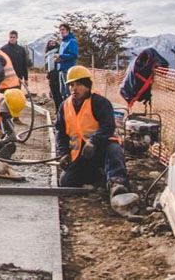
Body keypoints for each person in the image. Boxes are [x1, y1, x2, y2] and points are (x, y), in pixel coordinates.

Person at [56, 66, 133, 210]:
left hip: (101, 149)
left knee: (114, 148)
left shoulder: (100, 103)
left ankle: (117, 183)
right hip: (81, 154)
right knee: (66, 181)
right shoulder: (64, 107)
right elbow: (60, 132)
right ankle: (100, 175)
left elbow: (108, 126)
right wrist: (63, 153)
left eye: (78, 84)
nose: (74, 88)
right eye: (71, 85)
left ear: (87, 85)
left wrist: (93, 141)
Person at [55, 23, 78, 99]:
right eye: (60, 30)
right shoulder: (62, 42)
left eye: (63, 29)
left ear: (68, 30)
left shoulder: (72, 41)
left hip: (68, 70)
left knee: (69, 92)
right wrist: (58, 59)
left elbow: (74, 55)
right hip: (61, 70)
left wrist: (61, 56)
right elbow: (63, 56)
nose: (61, 31)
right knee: (62, 92)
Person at [45, 39, 63, 111]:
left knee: (59, 92)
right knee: (53, 93)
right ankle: (56, 108)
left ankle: (61, 108)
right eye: (50, 43)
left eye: (53, 43)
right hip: (51, 74)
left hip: (57, 73)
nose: (52, 44)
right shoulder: (47, 54)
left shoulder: (58, 51)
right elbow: (46, 65)